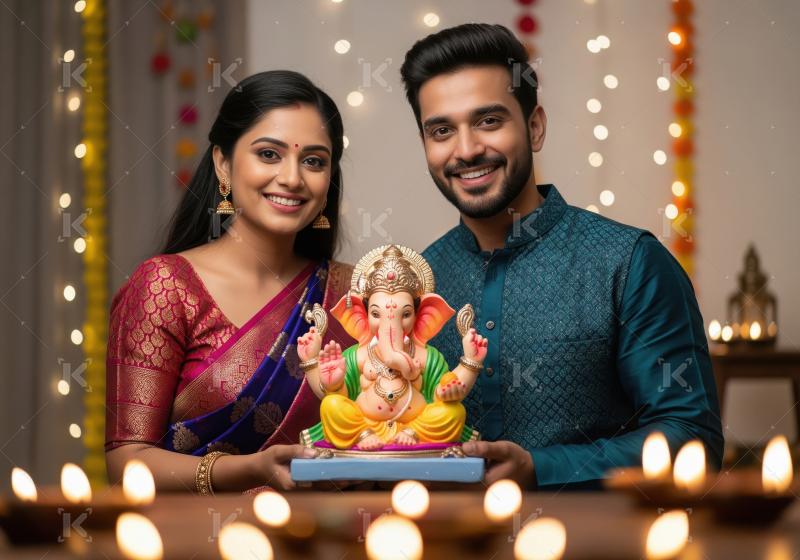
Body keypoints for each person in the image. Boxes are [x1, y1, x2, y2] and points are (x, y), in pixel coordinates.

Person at [400, 23, 723, 489]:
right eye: (442, 130)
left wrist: (541, 468)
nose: (466, 149)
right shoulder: (417, 282)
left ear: (534, 127)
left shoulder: (628, 264)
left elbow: (693, 440)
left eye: (489, 121)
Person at [105, 70, 354, 493]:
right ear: (223, 163)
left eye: (313, 161)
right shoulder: (165, 288)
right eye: (269, 154)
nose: (293, 178)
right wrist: (254, 468)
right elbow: (127, 463)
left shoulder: (352, 293)